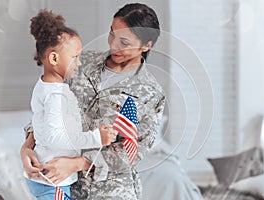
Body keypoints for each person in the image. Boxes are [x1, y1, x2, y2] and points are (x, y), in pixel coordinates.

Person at [20, 3, 166, 200]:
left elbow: (131, 153)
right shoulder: (78, 62)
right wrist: (27, 147)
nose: (113, 45)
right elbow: (48, 105)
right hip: (60, 184)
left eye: (124, 42)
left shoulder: (151, 93)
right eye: (112, 34)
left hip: (111, 191)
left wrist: (78, 163)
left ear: (146, 45)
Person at [24, 9, 115, 199]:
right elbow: (55, 137)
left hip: (51, 179)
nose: (80, 63)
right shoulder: (55, 94)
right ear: (54, 58)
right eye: (75, 57)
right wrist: (95, 138)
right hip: (51, 181)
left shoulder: (48, 87)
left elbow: (42, 125)